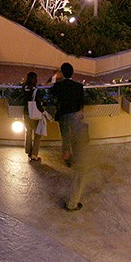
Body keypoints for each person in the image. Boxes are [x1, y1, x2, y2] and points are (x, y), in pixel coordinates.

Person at [49, 63, 89, 211]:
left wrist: (55, 78)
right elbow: (81, 104)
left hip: (64, 118)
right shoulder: (78, 87)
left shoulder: (58, 86)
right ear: (73, 72)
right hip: (75, 118)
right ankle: (73, 158)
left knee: (65, 138)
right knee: (75, 140)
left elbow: (50, 91)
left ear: (62, 73)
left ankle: (67, 156)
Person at [20, 71, 47, 163]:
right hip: (34, 115)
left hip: (26, 113)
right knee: (37, 134)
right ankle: (34, 155)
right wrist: (44, 112)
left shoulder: (24, 88)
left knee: (28, 133)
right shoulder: (36, 90)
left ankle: (28, 152)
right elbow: (38, 104)